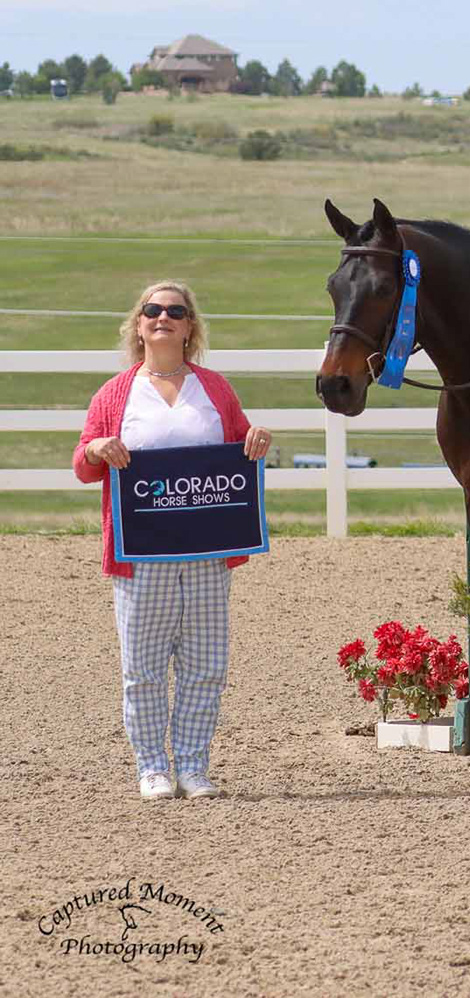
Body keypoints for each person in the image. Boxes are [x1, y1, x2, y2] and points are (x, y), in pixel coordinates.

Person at [72, 282, 273, 801]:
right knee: (142, 668)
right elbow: (82, 466)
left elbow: (241, 448)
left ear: (189, 327)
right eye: (153, 310)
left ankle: (192, 764)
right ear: (138, 325)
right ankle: (152, 767)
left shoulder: (216, 389)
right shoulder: (115, 393)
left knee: (205, 665)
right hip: (142, 557)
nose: (163, 318)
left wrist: (255, 441)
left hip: (206, 554)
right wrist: (96, 445)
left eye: (175, 311)